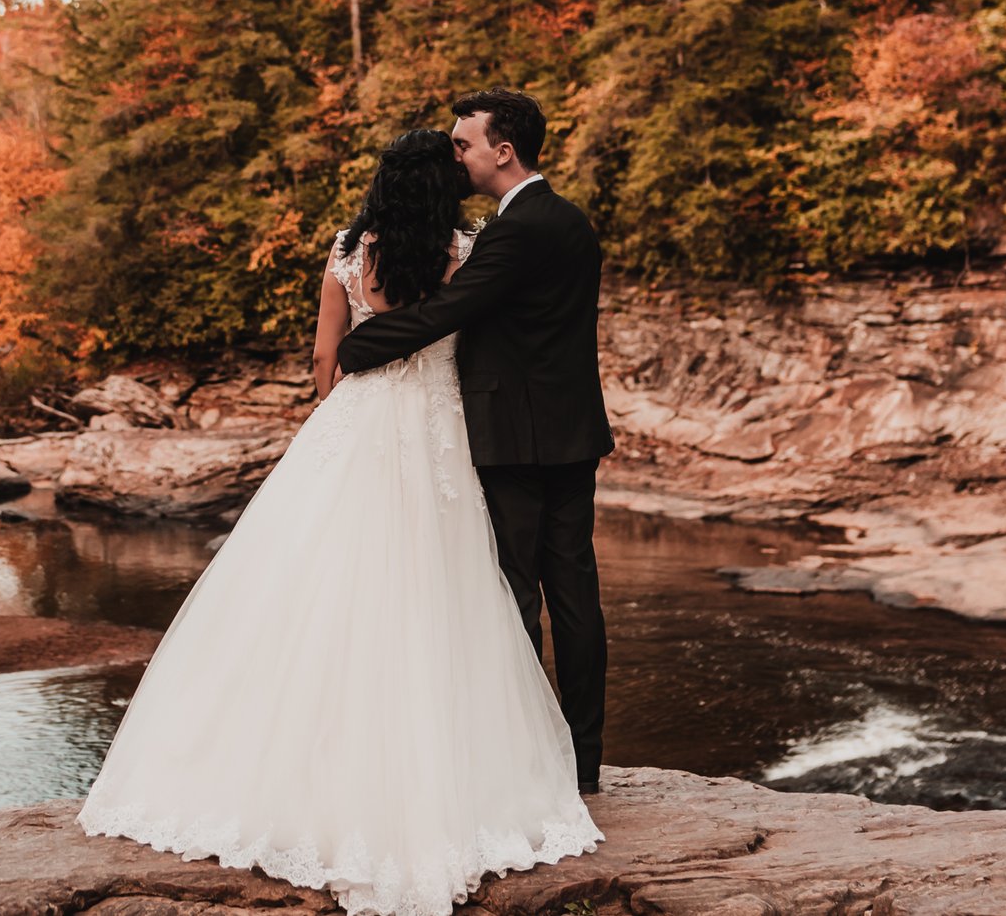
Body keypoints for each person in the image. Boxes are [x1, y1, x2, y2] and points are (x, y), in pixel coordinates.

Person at [78, 126, 599, 916]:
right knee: (446, 591)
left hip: (356, 426)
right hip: (439, 431)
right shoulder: (464, 250)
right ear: (439, 185)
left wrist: (343, 397)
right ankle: (483, 770)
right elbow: (463, 340)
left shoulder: (349, 251)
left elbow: (325, 363)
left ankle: (295, 772)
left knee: (313, 586)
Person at [331, 88, 611, 794]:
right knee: (575, 598)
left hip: (513, 436)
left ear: (502, 150)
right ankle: (581, 761)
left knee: (513, 596)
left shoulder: (513, 231)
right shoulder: (571, 220)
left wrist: (359, 347)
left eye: (464, 143)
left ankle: (524, 760)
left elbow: (450, 310)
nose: (456, 154)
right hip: (574, 431)